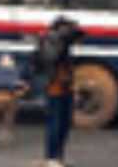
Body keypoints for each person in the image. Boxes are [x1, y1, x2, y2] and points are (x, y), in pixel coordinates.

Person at [37, 16, 82, 167]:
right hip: (54, 85)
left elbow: (81, 34)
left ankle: (58, 156)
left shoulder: (61, 41)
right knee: (55, 121)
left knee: (64, 122)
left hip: (65, 84)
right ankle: (51, 157)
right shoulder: (50, 40)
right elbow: (52, 58)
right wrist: (62, 40)